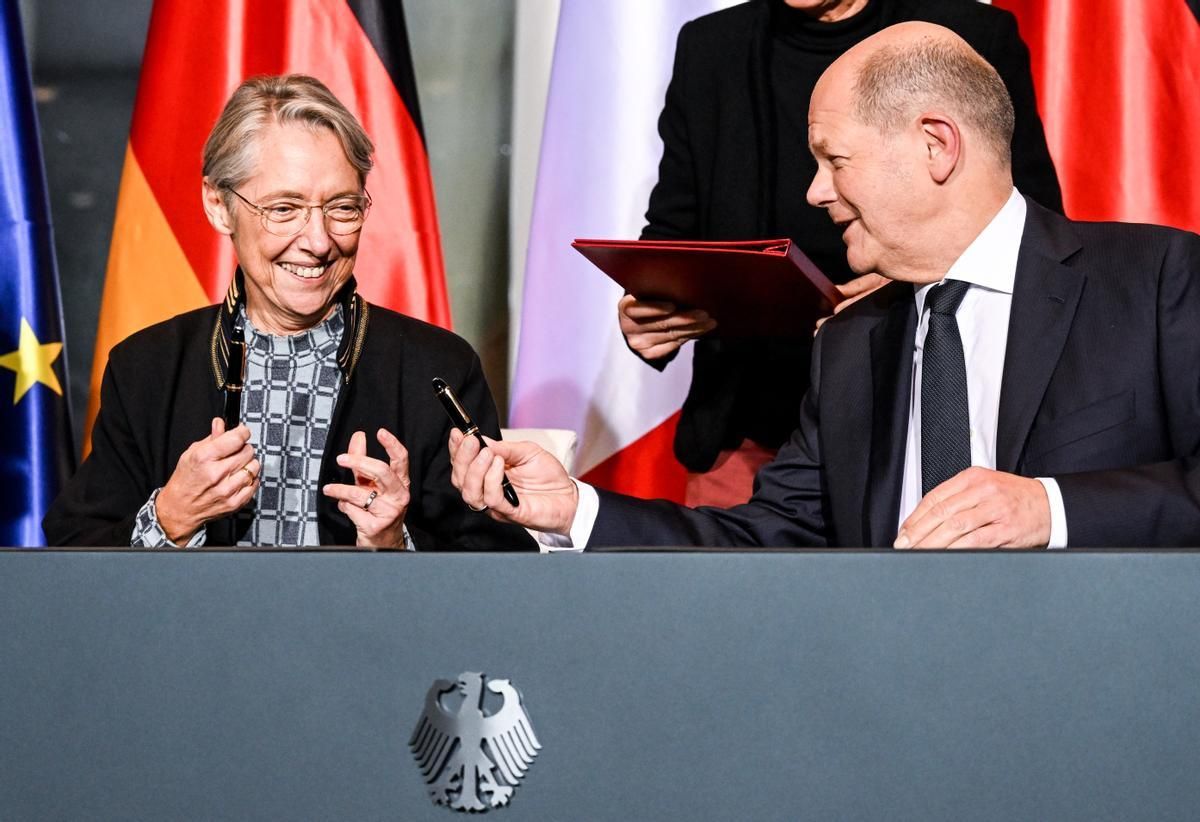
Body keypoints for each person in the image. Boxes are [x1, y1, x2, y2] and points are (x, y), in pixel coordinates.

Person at [451, 22, 1200, 549]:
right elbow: (760, 540)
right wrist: (573, 508)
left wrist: (1051, 509)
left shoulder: (1157, 282)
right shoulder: (849, 345)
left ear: (936, 145)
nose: (814, 192)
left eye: (834, 159)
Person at [45, 74, 533, 551]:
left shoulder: (438, 368)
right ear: (218, 206)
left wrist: (393, 545)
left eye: (342, 208)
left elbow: (502, 568)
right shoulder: (146, 367)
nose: (318, 242)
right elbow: (70, 564)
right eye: (284, 209)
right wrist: (172, 516)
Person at [621, 0, 1063, 507]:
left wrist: (901, 281)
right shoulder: (711, 45)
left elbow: (1026, 218)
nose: (818, 190)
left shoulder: (965, 34)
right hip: (751, 429)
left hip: (923, 408)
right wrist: (652, 307)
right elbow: (674, 231)